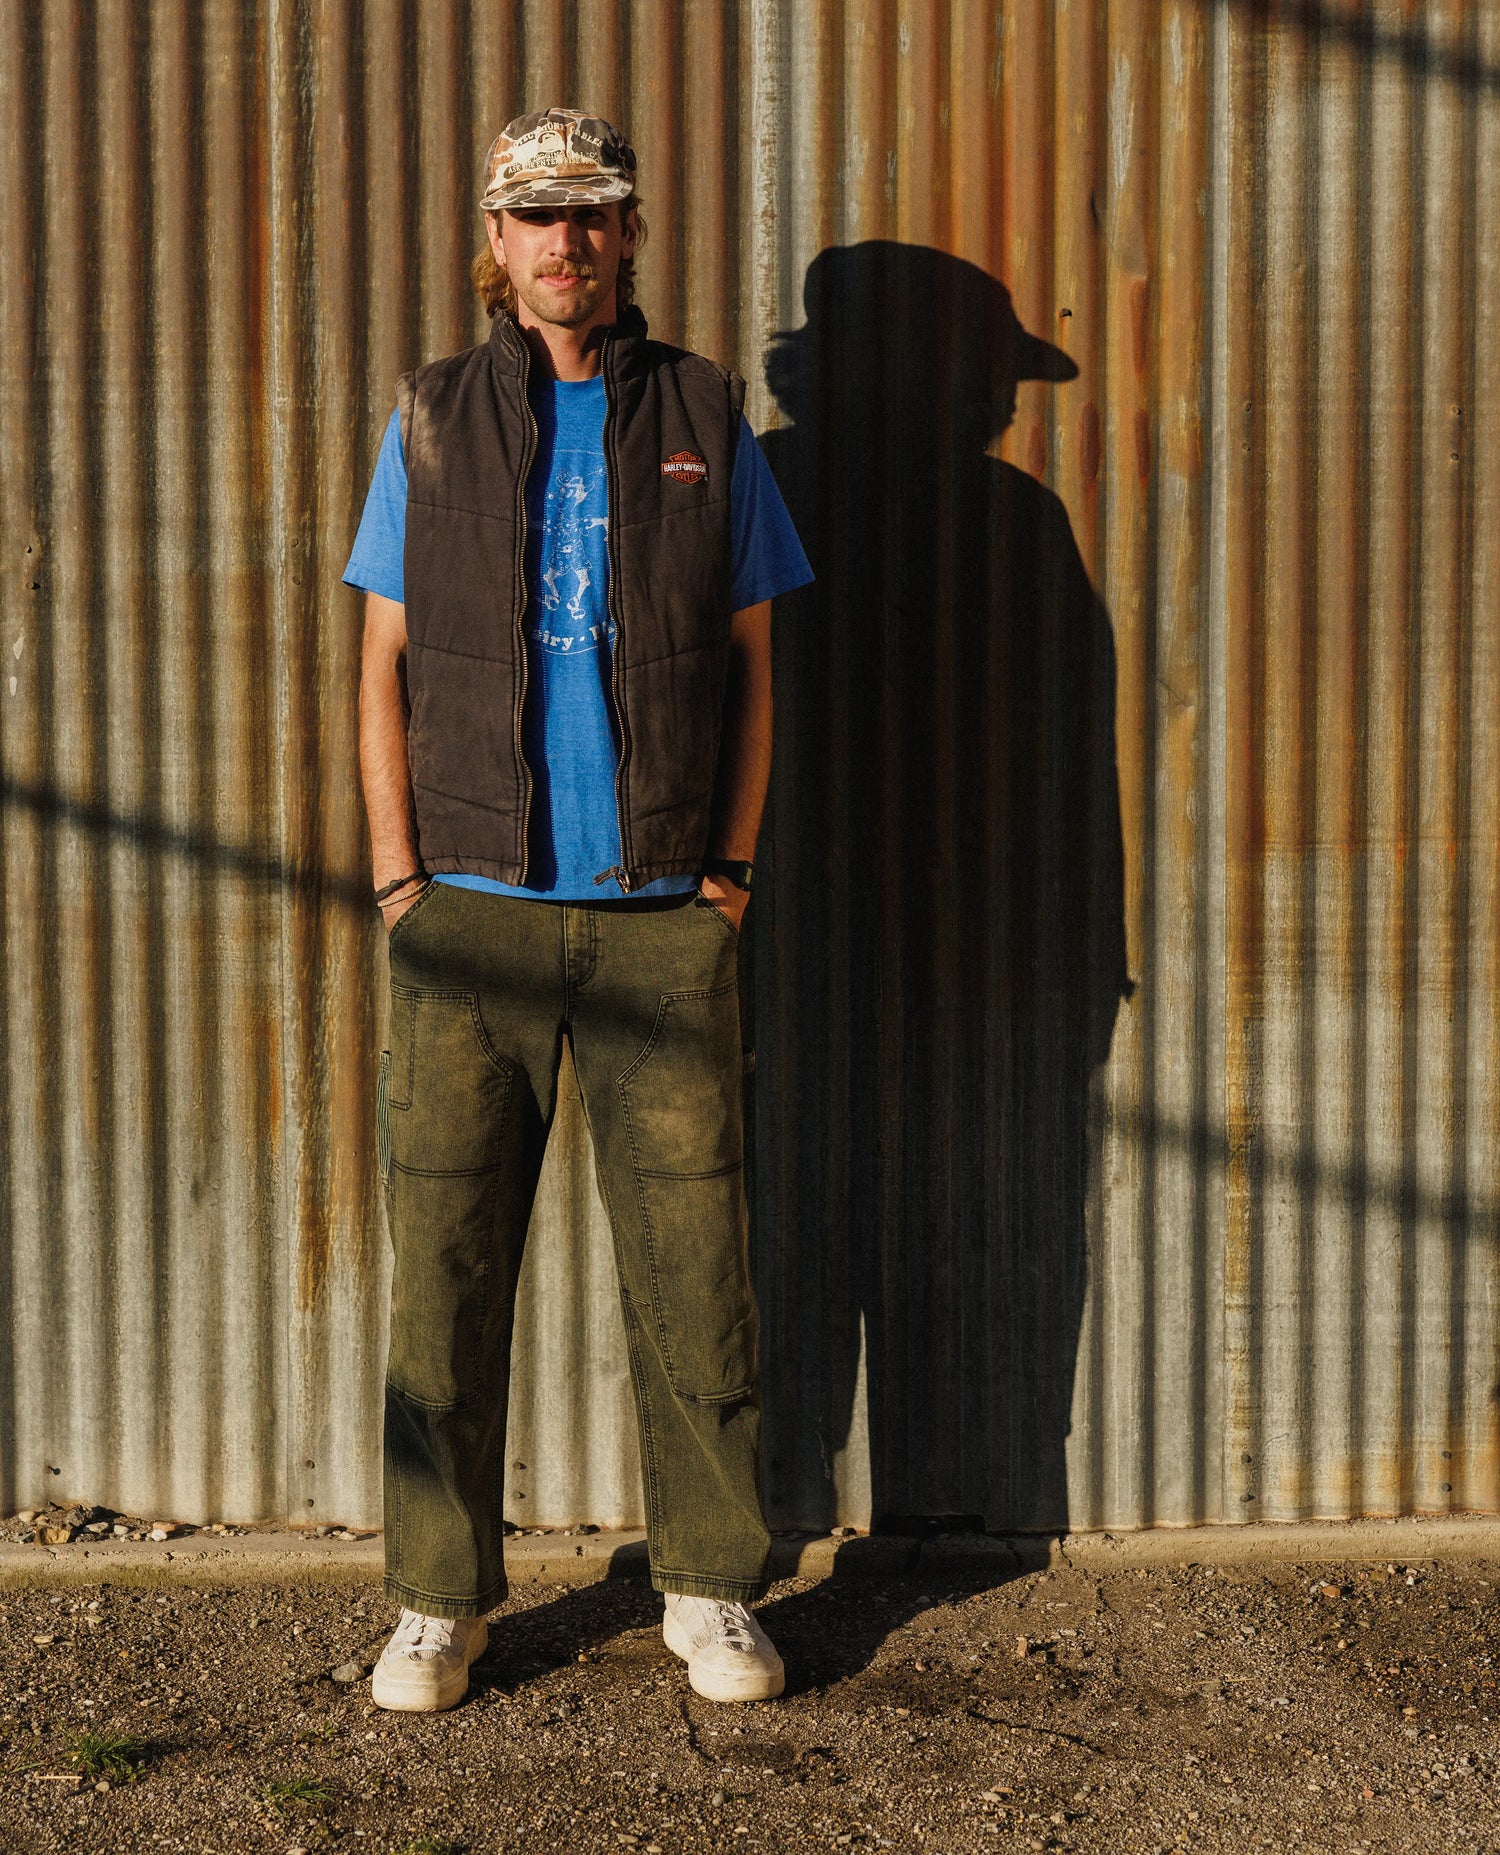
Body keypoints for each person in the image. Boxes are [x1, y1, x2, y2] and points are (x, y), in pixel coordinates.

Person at [343, 107, 812, 1713]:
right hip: (466, 918)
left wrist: (726, 875)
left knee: (695, 1270)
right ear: (496, 240)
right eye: (537, 216)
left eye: (593, 213)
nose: (566, 242)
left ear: (627, 234)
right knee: (445, 1275)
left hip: (663, 916)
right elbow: (381, 662)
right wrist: (399, 881)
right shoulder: (430, 419)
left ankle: (711, 1588)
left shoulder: (701, 414)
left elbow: (753, 664)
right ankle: (436, 1601)